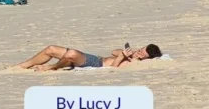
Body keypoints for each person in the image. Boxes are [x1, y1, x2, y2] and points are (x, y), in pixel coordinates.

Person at [17, 43, 162, 71]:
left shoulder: (135, 63)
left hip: (96, 64)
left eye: (142, 54)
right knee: (51, 49)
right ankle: (22, 65)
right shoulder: (131, 56)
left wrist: (124, 58)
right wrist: (125, 53)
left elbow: (113, 68)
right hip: (95, 58)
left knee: (71, 54)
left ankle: (51, 67)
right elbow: (113, 52)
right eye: (140, 50)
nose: (139, 53)